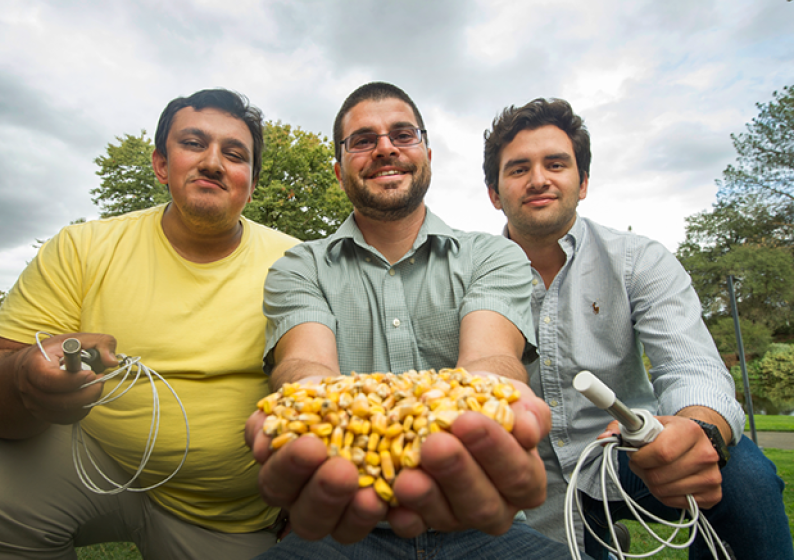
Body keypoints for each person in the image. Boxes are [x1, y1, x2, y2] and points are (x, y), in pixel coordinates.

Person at [0, 89, 299, 560]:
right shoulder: (82, 247)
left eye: (235, 154)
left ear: (251, 181)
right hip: (91, 460)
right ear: (161, 164)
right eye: (194, 144)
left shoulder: (296, 262)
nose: (214, 162)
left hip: (224, 513)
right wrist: (22, 378)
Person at [245, 82, 591, 559]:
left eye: (402, 135)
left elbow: (491, 357)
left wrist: (489, 402)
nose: (385, 147)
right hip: (347, 522)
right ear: (339, 169)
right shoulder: (299, 266)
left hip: (482, 521)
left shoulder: (493, 255)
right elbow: (306, 366)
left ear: (427, 153)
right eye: (363, 140)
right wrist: (303, 406)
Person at [482, 97, 793, 559]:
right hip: (530, 470)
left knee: (742, 475)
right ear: (494, 193)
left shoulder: (638, 259)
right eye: (519, 168)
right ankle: (602, 540)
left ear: (583, 182)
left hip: (629, 451)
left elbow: (690, 364)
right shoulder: (472, 273)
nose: (539, 179)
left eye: (556, 164)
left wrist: (699, 432)